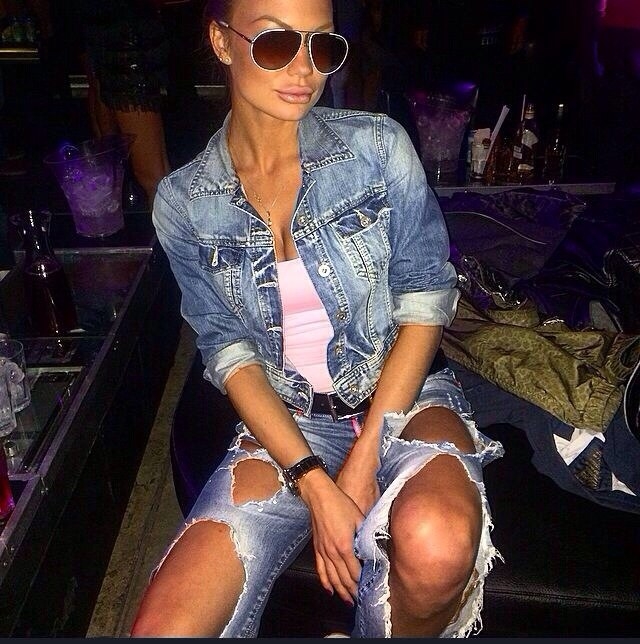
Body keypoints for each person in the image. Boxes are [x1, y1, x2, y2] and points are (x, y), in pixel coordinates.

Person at [130, 0, 504, 638]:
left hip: (403, 394)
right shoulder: (184, 202)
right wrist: (314, 481)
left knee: (437, 542)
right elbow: (229, 354)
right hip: (288, 419)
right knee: (164, 628)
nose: (305, 69)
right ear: (221, 41)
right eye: (277, 44)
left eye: (323, 46)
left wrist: (362, 460)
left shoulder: (377, 148)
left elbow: (424, 300)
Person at [75, 0, 171, 206]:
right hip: (125, 33)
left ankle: (114, 206)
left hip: (111, 27)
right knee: (155, 178)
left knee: (137, 172)